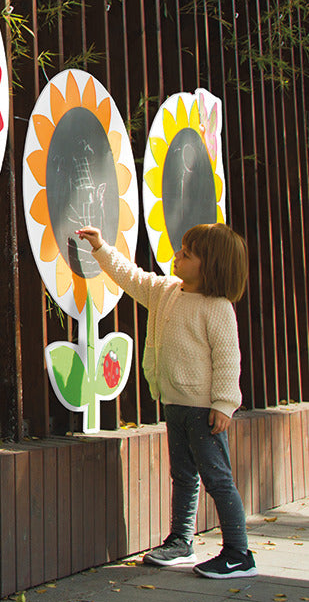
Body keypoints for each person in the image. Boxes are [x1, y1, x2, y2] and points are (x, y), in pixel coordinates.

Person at [76, 223, 254, 578]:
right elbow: (133, 278)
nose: (177, 256)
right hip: (175, 404)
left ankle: (238, 552)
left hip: (204, 409)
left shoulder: (217, 308)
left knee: (217, 478)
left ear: (211, 266)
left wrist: (223, 404)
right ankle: (181, 541)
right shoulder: (167, 291)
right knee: (184, 474)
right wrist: (101, 248)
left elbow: (227, 359)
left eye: (187, 254)